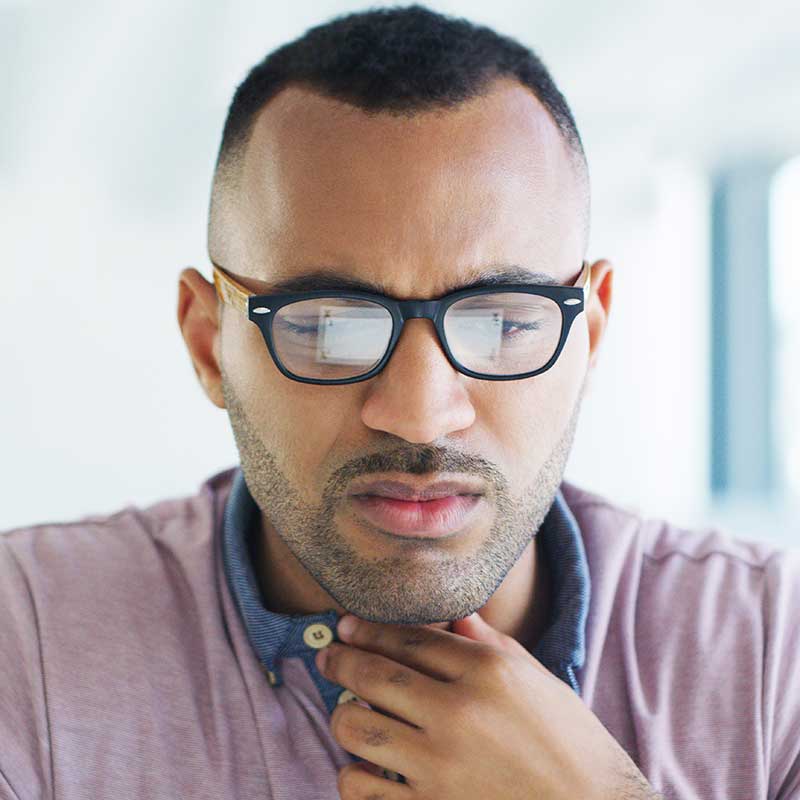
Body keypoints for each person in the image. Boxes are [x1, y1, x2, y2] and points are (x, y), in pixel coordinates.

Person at [2, 5, 798, 799]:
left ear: (587, 337)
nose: (420, 415)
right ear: (211, 346)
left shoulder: (776, 657)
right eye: (328, 329)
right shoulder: (24, 642)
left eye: (502, 322)